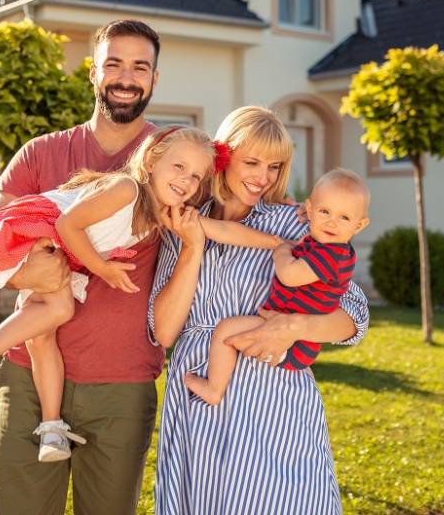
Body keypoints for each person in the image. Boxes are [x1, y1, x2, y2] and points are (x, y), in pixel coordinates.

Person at [0, 125, 278, 462]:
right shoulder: (125, 189)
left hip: (62, 251)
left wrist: (282, 243)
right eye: (179, 167)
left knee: (42, 334)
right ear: (151, 161)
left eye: (196, 176)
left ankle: (50, 428)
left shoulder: (162, 213)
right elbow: (66, 225)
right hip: (37, 231)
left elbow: (221, 230)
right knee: (58, 312)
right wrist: (103, 269)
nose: (186, 181)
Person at [150, 106, 370, 515]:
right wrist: (193, 246)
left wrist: (293, 326)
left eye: (274, 165)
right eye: (251, 161)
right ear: (223, 157)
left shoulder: (294, 223)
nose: (263, 176)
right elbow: (163, 332)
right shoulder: (181, 225)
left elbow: (355, 317)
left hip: (271, 399)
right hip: (199, 393)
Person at [183, 167, 371, 405]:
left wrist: (281, 252)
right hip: (284, 327)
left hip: (294, 342)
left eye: (344, 217)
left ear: (360, 225)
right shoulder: (319, 243)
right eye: (325, 211)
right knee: (232, 336)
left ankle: (214, 389)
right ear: (310, 209)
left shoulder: (333, 253)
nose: (332, 222)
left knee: (225, 331)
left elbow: (290, 276)